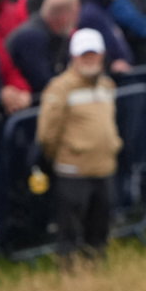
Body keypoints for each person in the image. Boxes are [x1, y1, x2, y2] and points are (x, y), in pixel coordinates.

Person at [36, 29, 122, 265]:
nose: (89, 59)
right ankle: (70, 277)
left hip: (103, 168)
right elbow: (48, 133)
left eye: (93, 54)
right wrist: (62, 157)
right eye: (84, 55)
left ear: (102, 55)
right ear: (74, 56)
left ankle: (94, 272)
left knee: (99, 230)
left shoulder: (106, 85)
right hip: (73, 171)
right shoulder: (60, 88)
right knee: (71, 232)